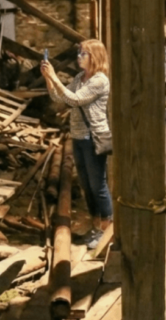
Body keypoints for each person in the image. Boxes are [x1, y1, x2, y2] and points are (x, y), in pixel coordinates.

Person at [40, 39, 112, 249]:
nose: (79, 57)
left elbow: (74, 100)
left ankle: (107, 229)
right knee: (86, 185)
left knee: (98, 185)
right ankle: (95, 227)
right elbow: (58, 97)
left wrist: (54, 76)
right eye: (79, 53)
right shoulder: (81, 78)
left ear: (94, 57)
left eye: (83, 54)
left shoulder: (99, 81)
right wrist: (48, 78)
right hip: (79, 137)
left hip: (93, 137)